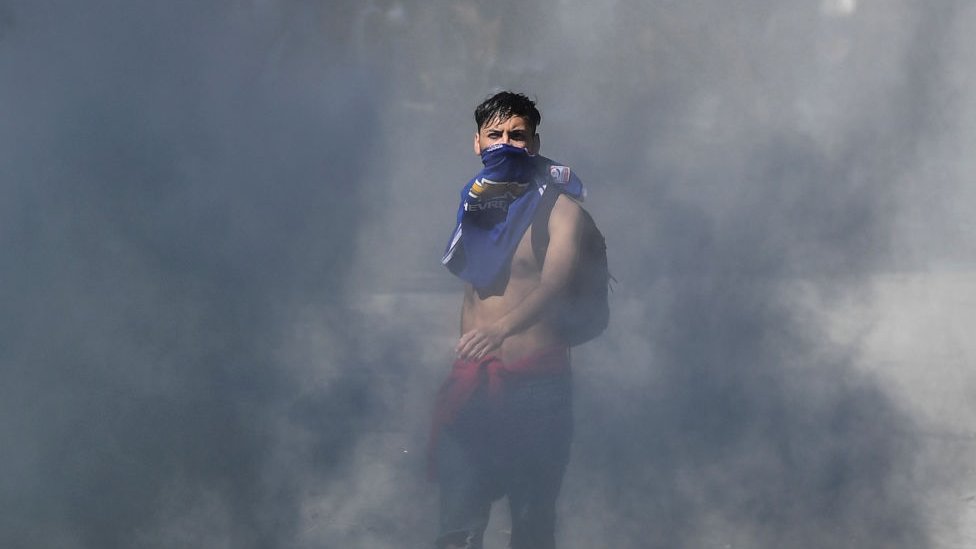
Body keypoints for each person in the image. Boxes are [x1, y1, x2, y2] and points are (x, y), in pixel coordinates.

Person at [431, 91, 589, 549]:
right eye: (495, 134)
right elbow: (473, 292)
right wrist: (462, 356)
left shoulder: (560, 209)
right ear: (477, 143)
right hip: (475, 386)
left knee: (532, 526)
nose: (505, 142)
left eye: (517, 135)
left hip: (537, 389)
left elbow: (555, 284)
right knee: (457, 528)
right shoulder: (475, 205)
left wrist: (501, 330)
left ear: (534, 144)